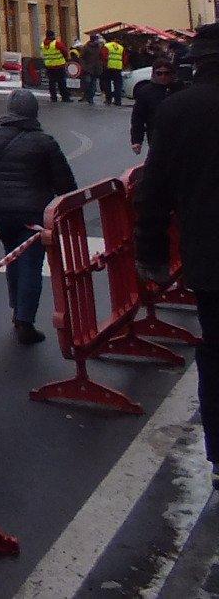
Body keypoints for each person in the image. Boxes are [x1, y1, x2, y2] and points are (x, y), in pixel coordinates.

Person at [135, 24, 219, 478]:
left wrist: (151, 255)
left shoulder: (179, 109)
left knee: (216, 352)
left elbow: (154, 190)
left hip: (210, 255)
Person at [0, 91, 76, 343]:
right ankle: (25, 319)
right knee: (30, 265)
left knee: (12, 258)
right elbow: (64, 182)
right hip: (32, 213)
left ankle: (17, 309)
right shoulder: (45, 142)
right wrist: (70, 206)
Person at [132, 56, 181, 155]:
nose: (163, 77)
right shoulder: (146, 92)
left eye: (166, 73)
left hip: (178, 135)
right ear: (154, 74)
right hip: (155, 135)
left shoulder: (180, 89)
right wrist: (137, 140)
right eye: (159, 73)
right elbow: (138, 118)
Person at [40, 34, 69, 104]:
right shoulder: (56, 44)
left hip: (49, 66)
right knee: (61, 82)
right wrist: (65, 59)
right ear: (52, 36)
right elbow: (65, 51)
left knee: (51, 82)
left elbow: (43, 55)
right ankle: (65, 97)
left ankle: (53, 97)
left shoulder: (43, 45)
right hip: (59, 65)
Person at [80, 36, 106, 106]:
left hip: (94, 68)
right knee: (89, 83)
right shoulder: (87, 47)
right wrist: (84, 66)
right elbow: (81, 57)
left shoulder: (97, 47)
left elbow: (101, 57)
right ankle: (88, 97)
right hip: (90, 68)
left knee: (92, 83)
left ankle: (90, 98)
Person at [105, 35, 128, 105]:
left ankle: (108, 100)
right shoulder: (121, 47)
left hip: (108, 67)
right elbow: (125, 58)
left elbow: (103, 56)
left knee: (107, 84)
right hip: (118, 68)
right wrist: (123, 65)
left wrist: (105, 64)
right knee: (118, 85)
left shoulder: (107, 46)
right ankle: (118, 101)